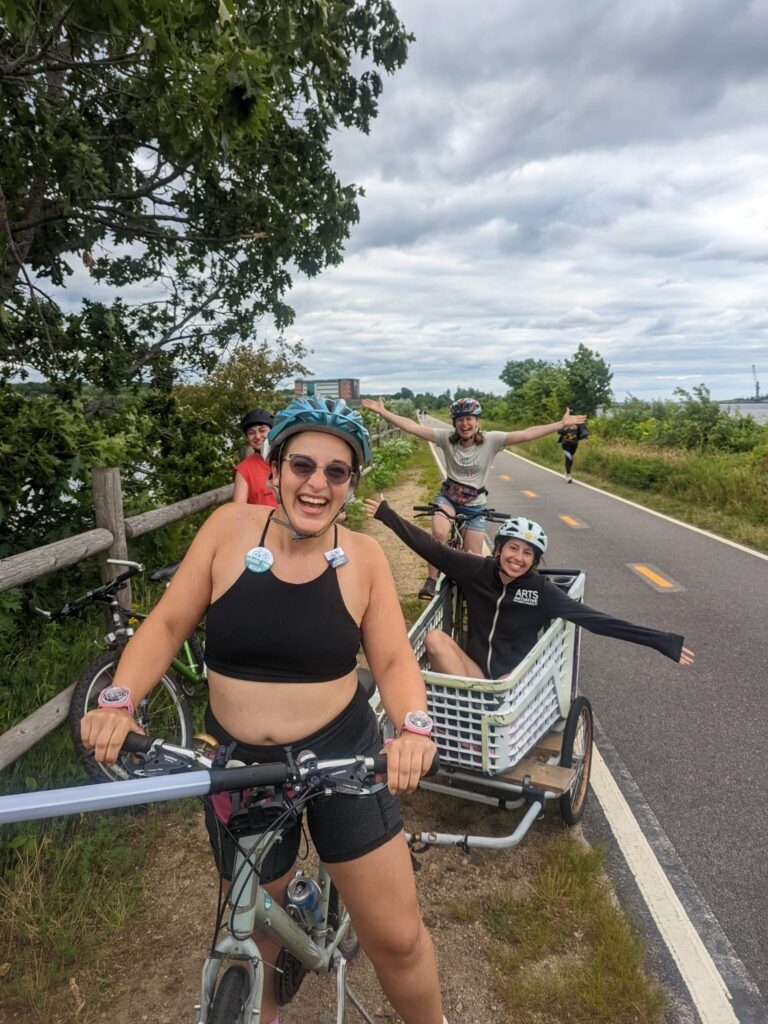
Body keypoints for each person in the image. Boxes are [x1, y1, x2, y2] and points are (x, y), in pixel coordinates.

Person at [81, 397, 446, 1024]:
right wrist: (119, 701)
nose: (317, 483)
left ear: (351, 484)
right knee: (256, 934)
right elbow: (167, 623)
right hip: (240, 766)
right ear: (273, 468)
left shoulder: (364, 556)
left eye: (337, 471)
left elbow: (390, 663)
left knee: (397, 937)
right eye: (302, 464)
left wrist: (412, 727)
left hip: (341, 755)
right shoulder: (227, 529)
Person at [364, 498, 695, 678]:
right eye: (512, 548)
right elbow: (432, 549)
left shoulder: (542, 591)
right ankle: (465, 715)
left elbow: (596, 620)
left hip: (514, 685)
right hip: (476, 675)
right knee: (435, 639)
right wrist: (387, 514)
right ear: (499, 548)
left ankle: (473, 719)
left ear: (535, 560)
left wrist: (661, 641)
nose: (518, 558)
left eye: (527, 553)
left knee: (496, 682)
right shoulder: (477, 570)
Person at [361, 396, 587, 600]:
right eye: (459, 419)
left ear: (477, 421)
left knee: (475, 559)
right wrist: (384, 412)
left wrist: (560, 425)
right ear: (454, 423)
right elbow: (411, 427)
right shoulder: (445, 439)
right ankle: (431, 580)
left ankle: (472, 596)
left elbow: (526, 433)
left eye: (469, 418)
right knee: (439, 532)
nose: (464, 424)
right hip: (448, 498)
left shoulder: (492, 441)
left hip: (475, 504)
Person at [233, 407, 279, 507]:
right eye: (251, 433)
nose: (257, 436)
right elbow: (238, 509)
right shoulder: (244, 470)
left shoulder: (287, 460)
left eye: (262, 430)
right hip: (263, 521)